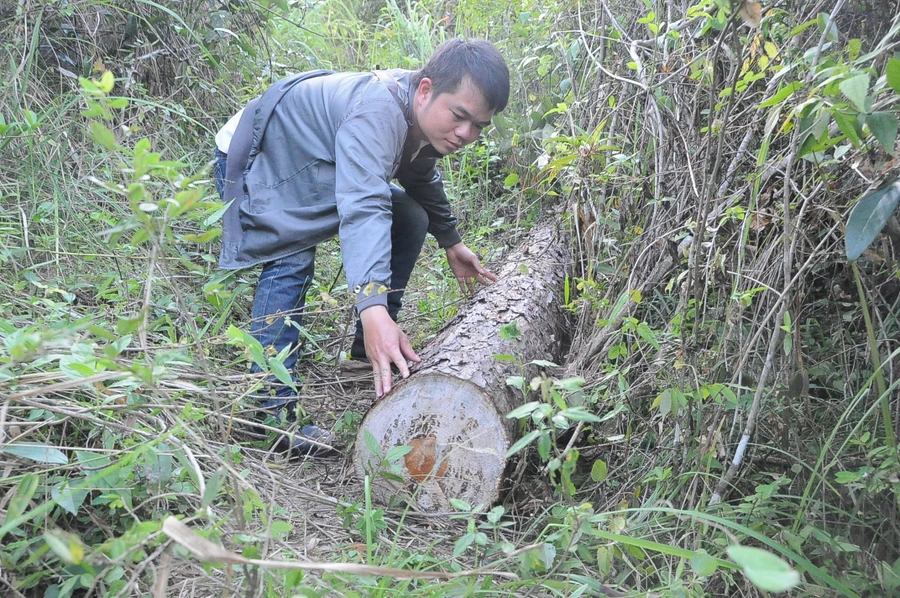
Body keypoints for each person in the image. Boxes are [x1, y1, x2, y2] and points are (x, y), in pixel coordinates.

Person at [213, 38, 509, 454]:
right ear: (425, 90)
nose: (466, 134)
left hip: (314, 156)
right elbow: (364, 206)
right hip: (260, 152)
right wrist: (371, 304)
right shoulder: (379, 111)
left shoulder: (419, 118)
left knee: (410, 216)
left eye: (479, 125)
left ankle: (364, 358)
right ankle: (269, 414)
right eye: (460, 117)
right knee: (291, 255)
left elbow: (419, 176)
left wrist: (451, 241)